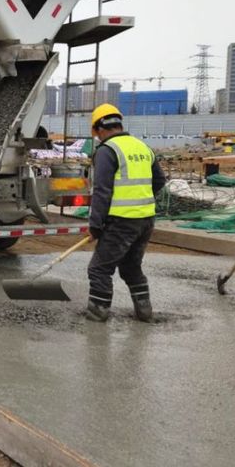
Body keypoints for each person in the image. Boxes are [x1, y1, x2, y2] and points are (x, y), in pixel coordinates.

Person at [86, 104, 166, 322]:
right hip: (146, 220)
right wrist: (140, 199)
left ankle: (98, 311)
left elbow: (102, 191)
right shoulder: (142, 147)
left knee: (99, 269)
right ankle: (145, 312)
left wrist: (96, 224)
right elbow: (159, 181)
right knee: (131, 267)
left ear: (99, 128)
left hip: (121, 221)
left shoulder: (107, 150)